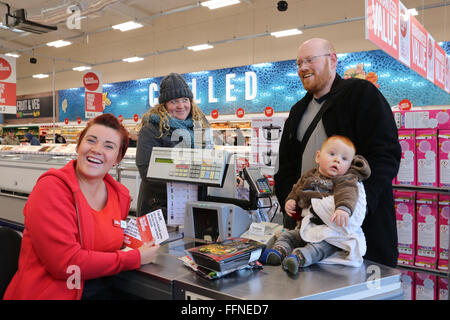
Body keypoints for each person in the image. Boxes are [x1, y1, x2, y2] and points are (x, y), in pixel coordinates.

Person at [274, 38, 401, 267]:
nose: (302, 67)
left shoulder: (361, 95)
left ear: (333, 59)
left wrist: (357, 208)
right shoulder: (297, 111)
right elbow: (286, 168)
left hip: (358, 233)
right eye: (299, 62)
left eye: (310, 60)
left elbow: (386, 154)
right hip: (308, 231)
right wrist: (290, 203)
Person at [4, 114, 160, 300]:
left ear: (118, 157)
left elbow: (112, 243)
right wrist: (135, 258)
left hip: (102, 289)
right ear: (79, 146)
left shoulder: (119, 195)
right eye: (91, 140)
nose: (96, 150)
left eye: (108, 146)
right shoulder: (52, 189)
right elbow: (65, 264)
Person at [262, 136, 370, 274]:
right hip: (306, 226)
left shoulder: (345, 179)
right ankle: (278, 251)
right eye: (332, 154)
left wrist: (343, 209)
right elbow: (297, 189)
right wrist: (292, 200)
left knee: (322, 247)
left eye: (344, 159)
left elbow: (348, 194)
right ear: (318, 157)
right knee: (289, 236)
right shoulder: (309, 176)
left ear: (349, 165)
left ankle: (299, 257)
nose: (337, 160)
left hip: (329, 232)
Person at [136, 73, 212, 218]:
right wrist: (191, 174)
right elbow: (145, 169)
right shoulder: (152, 128)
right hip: (160, 207)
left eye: (185, 100)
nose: (181, 106)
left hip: (195, 204)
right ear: (164, 105)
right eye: (174, 101)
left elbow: (210, 158)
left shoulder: (200, 127)